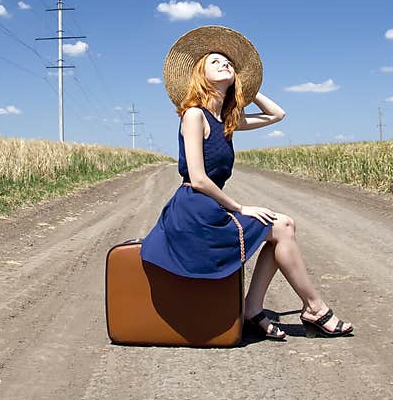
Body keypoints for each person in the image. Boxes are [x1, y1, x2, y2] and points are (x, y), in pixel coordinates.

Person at [140, 25, 354, 341]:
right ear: (200, 75)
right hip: (193, 212)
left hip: (209, 209)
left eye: (229, 63)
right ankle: (310, 308)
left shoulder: (227, 121)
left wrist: (245, 85)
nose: (225, 64)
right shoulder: (194, 116)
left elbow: (277, 114)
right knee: (280, 225)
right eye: (215, 62)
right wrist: (242, 207)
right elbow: (198, 179)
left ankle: (257, 309)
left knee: (282, 227)